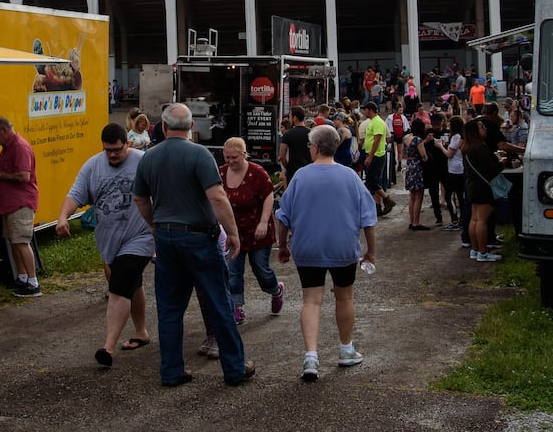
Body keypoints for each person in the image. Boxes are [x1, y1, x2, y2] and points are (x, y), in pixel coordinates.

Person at [132, 103, 254, 388]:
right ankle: (234, 369)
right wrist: (233, 234)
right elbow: (218, 198)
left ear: (163, 127)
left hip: (166, 238)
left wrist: (153, 225)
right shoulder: (200, 154)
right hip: (200, 238)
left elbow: (139, 198)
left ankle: (172, 371)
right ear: (191, 127)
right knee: (219, 302)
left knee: (170, 308)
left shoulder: (148, 157)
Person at [274, 124, 377, 382]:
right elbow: (368, 218)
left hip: (308, 246)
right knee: (344, 297)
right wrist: (370, 251)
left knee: (311, 300)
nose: (309, 149)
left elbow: (283, 216)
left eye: (310, 145)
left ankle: (311, 355)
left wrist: (283, 245)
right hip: (342, 247)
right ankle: (346, 349)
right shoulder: (351, 176)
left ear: (316, 148)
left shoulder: (300, 176)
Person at [55, 123, 153, 367]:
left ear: (127, 144)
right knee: (131, 283)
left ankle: (107, 347)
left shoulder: (144, 162)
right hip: (110, 240)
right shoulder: (93, 165)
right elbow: (76, 195)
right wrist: (63, 217)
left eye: (117, 150)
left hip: (140, 236)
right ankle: (141, 332)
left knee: (119, 286)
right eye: (108, 150)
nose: (112, 155)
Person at [220, 137, 282, 325]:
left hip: (257, 229)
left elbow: (269, 196)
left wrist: (264, 222)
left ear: (243, 154)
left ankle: (275, 290)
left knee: (260, 268)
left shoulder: (257, 172)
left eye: (234, 158)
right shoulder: (221, 172)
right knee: (233, 271)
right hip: (233, 230)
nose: (230, 162)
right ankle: (236, 308)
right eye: (227, 158)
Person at [0, 116, 40, 297]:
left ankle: (33, 282)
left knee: (22, 242)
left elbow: (24, 176)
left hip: (20, 203)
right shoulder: (8, 148)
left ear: (4, 131)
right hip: (9, 204)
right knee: (13, 241)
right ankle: (22, 278)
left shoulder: (20, 148)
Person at [461, 117, 504, 262]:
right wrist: (502, 163)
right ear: (475, 132)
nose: (484, 129)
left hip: (472, 186)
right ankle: (483, 251)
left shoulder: (467, 147)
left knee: (475, 219)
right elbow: (490, 169)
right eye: (481, 127)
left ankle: (475, 249)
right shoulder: (479, 147)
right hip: (483, 187)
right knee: (482, 220)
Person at [359, 102, 394, 215]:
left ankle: (387, 199)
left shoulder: (378, 122)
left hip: (376, 155)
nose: (364, 112)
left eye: (365, 110)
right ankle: (378, 205)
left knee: (371, 181)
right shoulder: (374, 122)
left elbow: (377, 139)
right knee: (375, 181)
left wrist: (370, 156)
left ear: (370, 110)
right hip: (374, 154)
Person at [402, 116, 433, 230]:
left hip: (409, 165)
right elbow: (424, 156)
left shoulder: (406, 138)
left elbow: (403, 155)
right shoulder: (418, 140)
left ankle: (411, 221)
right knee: (418, 196)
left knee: (412, 196)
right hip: (417, 167)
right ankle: (416, 222)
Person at [278, 106, 312, 185]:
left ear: (295, 118)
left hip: (293, 170)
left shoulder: (288, 134)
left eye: (290, 116)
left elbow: (282, 155)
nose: (289, 119)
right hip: (308, 169)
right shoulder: (311, 133)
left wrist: (287, 167)